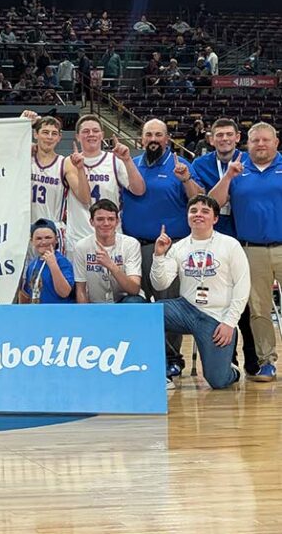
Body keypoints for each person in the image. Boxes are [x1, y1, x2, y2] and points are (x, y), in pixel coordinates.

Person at [121, 119, 204, 378]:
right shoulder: (131, 165)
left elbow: (199, 198)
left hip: (170, 248)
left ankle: (171, 358)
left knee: (169, 305)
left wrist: (186, 179)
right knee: (138, 303)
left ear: (167, 139)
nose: (153, 139)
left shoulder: (180, 165)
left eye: (159, 134)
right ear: (141, 139)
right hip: (134, 246)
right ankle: (143, 356)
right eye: (149, 135)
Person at [151, 195, 249, 390]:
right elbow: (160, 283)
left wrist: (230, 323)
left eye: (205, 211)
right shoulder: (178, 247)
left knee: (218, 381)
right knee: (148, 315)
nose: (198, 215)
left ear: (215, 218)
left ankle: (230, 368)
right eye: (193, 211)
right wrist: (158, 256)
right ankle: (159, 372)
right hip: (185, 309)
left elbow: (242, 285)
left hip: (216, 316)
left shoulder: (230, 244)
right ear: (187, 216)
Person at [210, 123, 282, 382]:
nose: (260, 144)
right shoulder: (238, 169)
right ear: (247, 143)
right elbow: (213, 204)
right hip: (250, 250)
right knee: (258, 308)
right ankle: (266, 361)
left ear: (276, 142)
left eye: (265, 140)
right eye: (255, 141)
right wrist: (228, 176)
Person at [191, 118, 258, 375]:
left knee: (246, 302)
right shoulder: (201, 164)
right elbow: (210, 204)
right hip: (213, 242)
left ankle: (252, 359)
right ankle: (228, 360)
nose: (224, 139)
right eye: (219, 135)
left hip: (244, 239)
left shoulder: (251, 160)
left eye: (229, 134)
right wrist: (228, 177)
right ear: (210, 139)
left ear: (237, 137)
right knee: (220, 302)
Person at [64, 114, 145, 257]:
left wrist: (127, 160)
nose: (91, 134)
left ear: (102, 135)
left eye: (95, 131)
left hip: (110, 236)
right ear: (77, 136)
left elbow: (139, 190)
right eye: (85, 131)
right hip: (78, 237)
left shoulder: (115, 160)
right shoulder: (68, 162)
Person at [21, 112, 91, 250]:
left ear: (59, 138)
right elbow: (7, 149)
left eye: (54, 134)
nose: (49, 137)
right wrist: (23, 122)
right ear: (36, 134)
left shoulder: (65, 163)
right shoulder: (25, 158)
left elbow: (85, 198)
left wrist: (81, 170)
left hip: (52, 230)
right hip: (25, 229)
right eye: (45, 132)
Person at [73, 199, 143, 304]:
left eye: (111, 219)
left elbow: (134, 289)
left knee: (134, 301)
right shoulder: (81, 247)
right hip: (96, 304)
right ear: (92, 222)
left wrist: (111, 266)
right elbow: (81, 290)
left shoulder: (131, 244)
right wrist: (86, 316)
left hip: (124, 300)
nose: (106, 223)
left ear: (117, 221)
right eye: (100, 219)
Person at [19, 218, 75, 304]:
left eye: (48, 237)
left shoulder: (62, 262)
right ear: (31, 241)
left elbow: (64, 292)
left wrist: (53, 265)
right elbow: (28, 295)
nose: (43, 242)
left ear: (56, 240)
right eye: (38, 238)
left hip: (59, 313)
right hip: (38, 313)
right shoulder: (32, 265)